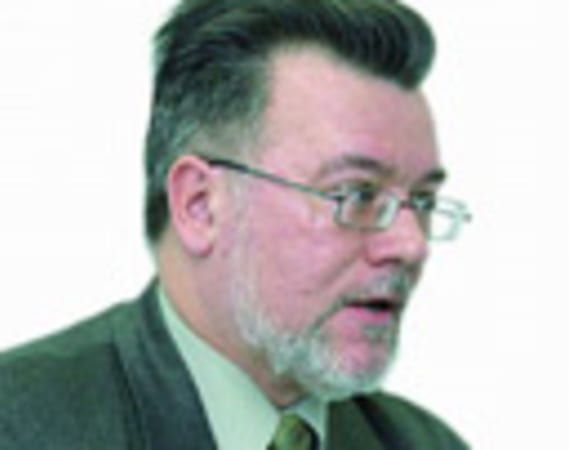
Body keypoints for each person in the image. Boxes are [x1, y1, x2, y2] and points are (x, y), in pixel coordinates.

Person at [0, 0, 472, 448]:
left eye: (424, 200)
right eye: (358, 195)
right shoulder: (22, 426)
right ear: (200, 206)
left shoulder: (425, 443)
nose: (411, 244)